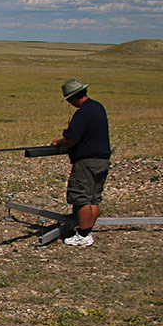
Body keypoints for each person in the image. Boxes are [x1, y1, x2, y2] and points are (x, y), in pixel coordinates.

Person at [50, 79, 111, 246]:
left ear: (73, 98)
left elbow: (71, 140)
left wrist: (59, 142)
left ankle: (83, 235)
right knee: (94, 198)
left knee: (81, 197)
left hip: (87, 161)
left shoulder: (83, 113)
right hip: (102, 159)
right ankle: (87, 230)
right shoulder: (97, 107)